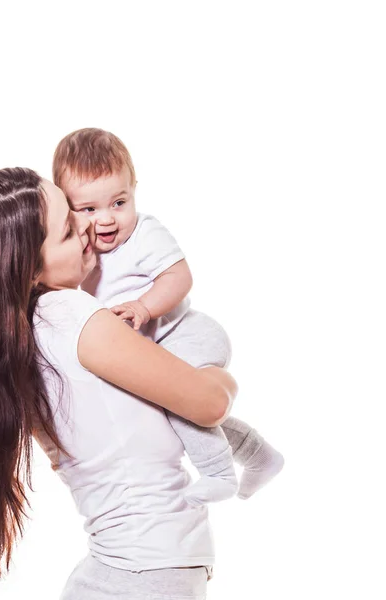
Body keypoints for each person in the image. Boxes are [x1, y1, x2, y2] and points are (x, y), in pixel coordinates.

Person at [0, 166, 238, 598]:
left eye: (72, 208)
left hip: (125, 573)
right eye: (66, 230)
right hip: (145, 575)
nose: (88, 224)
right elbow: (210, 403)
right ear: (26, 271)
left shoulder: (18, 334)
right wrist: (214, 366)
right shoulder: (73, 317)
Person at [52, 128, 284, 504]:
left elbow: (179, 277)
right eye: (89, 209)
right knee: (181, 410)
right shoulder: (84, 250)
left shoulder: (145, 232)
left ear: (135, 189)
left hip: (186, 334)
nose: (107, 220)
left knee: (179, 400)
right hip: (159, 345)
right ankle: (260, 456)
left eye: (119, 202)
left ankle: (218, 472)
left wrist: (144, 307)